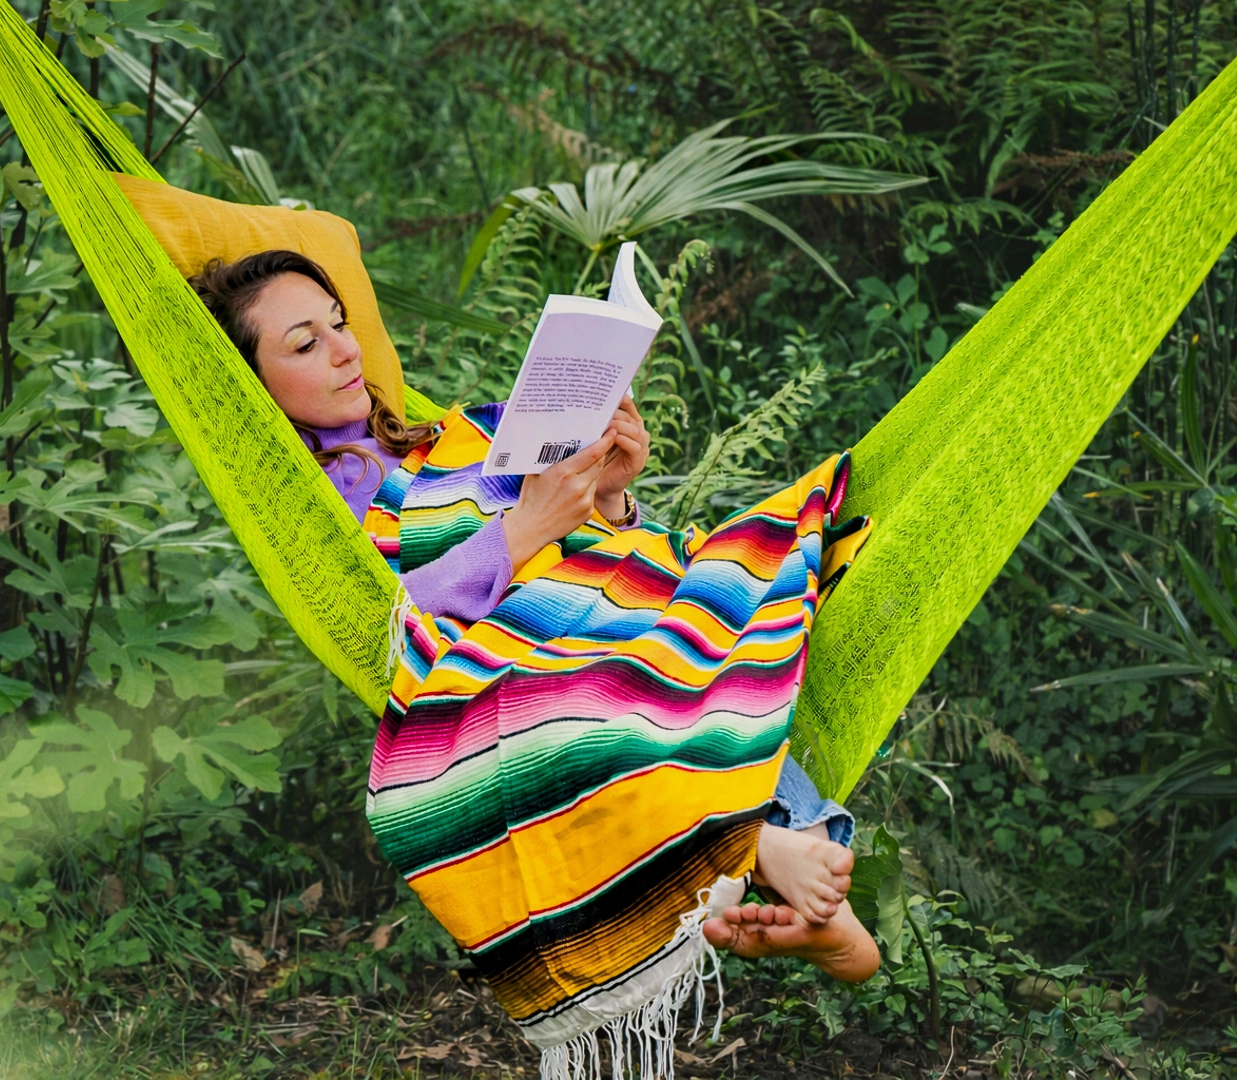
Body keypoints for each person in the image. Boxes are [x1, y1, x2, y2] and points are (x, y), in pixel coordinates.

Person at [191, 249, 878, 981]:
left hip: (584, 601)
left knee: (705, 627)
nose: (347, 349)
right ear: (253, 383)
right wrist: (526, 528)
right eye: (306, 344)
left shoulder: (436, 443)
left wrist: (610, 493)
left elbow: (570, 534)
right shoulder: (307, 506)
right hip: (500, 656)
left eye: (339, 324)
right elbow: (379, 621)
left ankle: (784, 860)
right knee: (620, 679)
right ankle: (770, 844)